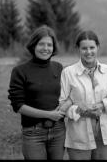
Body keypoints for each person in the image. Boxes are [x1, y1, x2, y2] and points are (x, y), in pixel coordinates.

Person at [58, 30, 107, 160]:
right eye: (84, 48)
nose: (88, 52)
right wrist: (82, 111)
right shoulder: (68, 73)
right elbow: (61, 105)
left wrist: (102, 105)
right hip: (79, 136)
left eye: (92, 47)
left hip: (104, 135)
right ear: (78, 49)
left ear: (98, 47)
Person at [7, 25, 66, 160]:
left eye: (49, 45)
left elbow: (67, 95)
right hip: (33, 133)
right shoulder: (20, 71)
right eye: (41, 44)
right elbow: (18, 106)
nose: (45, 48)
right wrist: (49, 114)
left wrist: (63, 109)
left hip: (58, 131)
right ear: (33, 45)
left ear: (53, 47)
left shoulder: (58, 68)